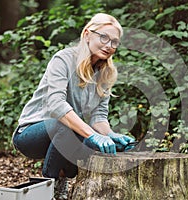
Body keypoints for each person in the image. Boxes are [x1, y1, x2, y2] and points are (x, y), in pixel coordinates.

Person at [12, 13, 135, 200]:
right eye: (104, 37)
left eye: (114, 42)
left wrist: (109, 136)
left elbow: (98, 117)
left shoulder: (105, 73)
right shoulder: (63, 59)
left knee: (91, 141)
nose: (109, 45)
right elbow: (56, 105)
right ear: (87, 34)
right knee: (72, 126)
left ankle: (63, 182)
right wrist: (93, 134)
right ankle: (51, 188)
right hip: (30, 135)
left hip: (64, 134)